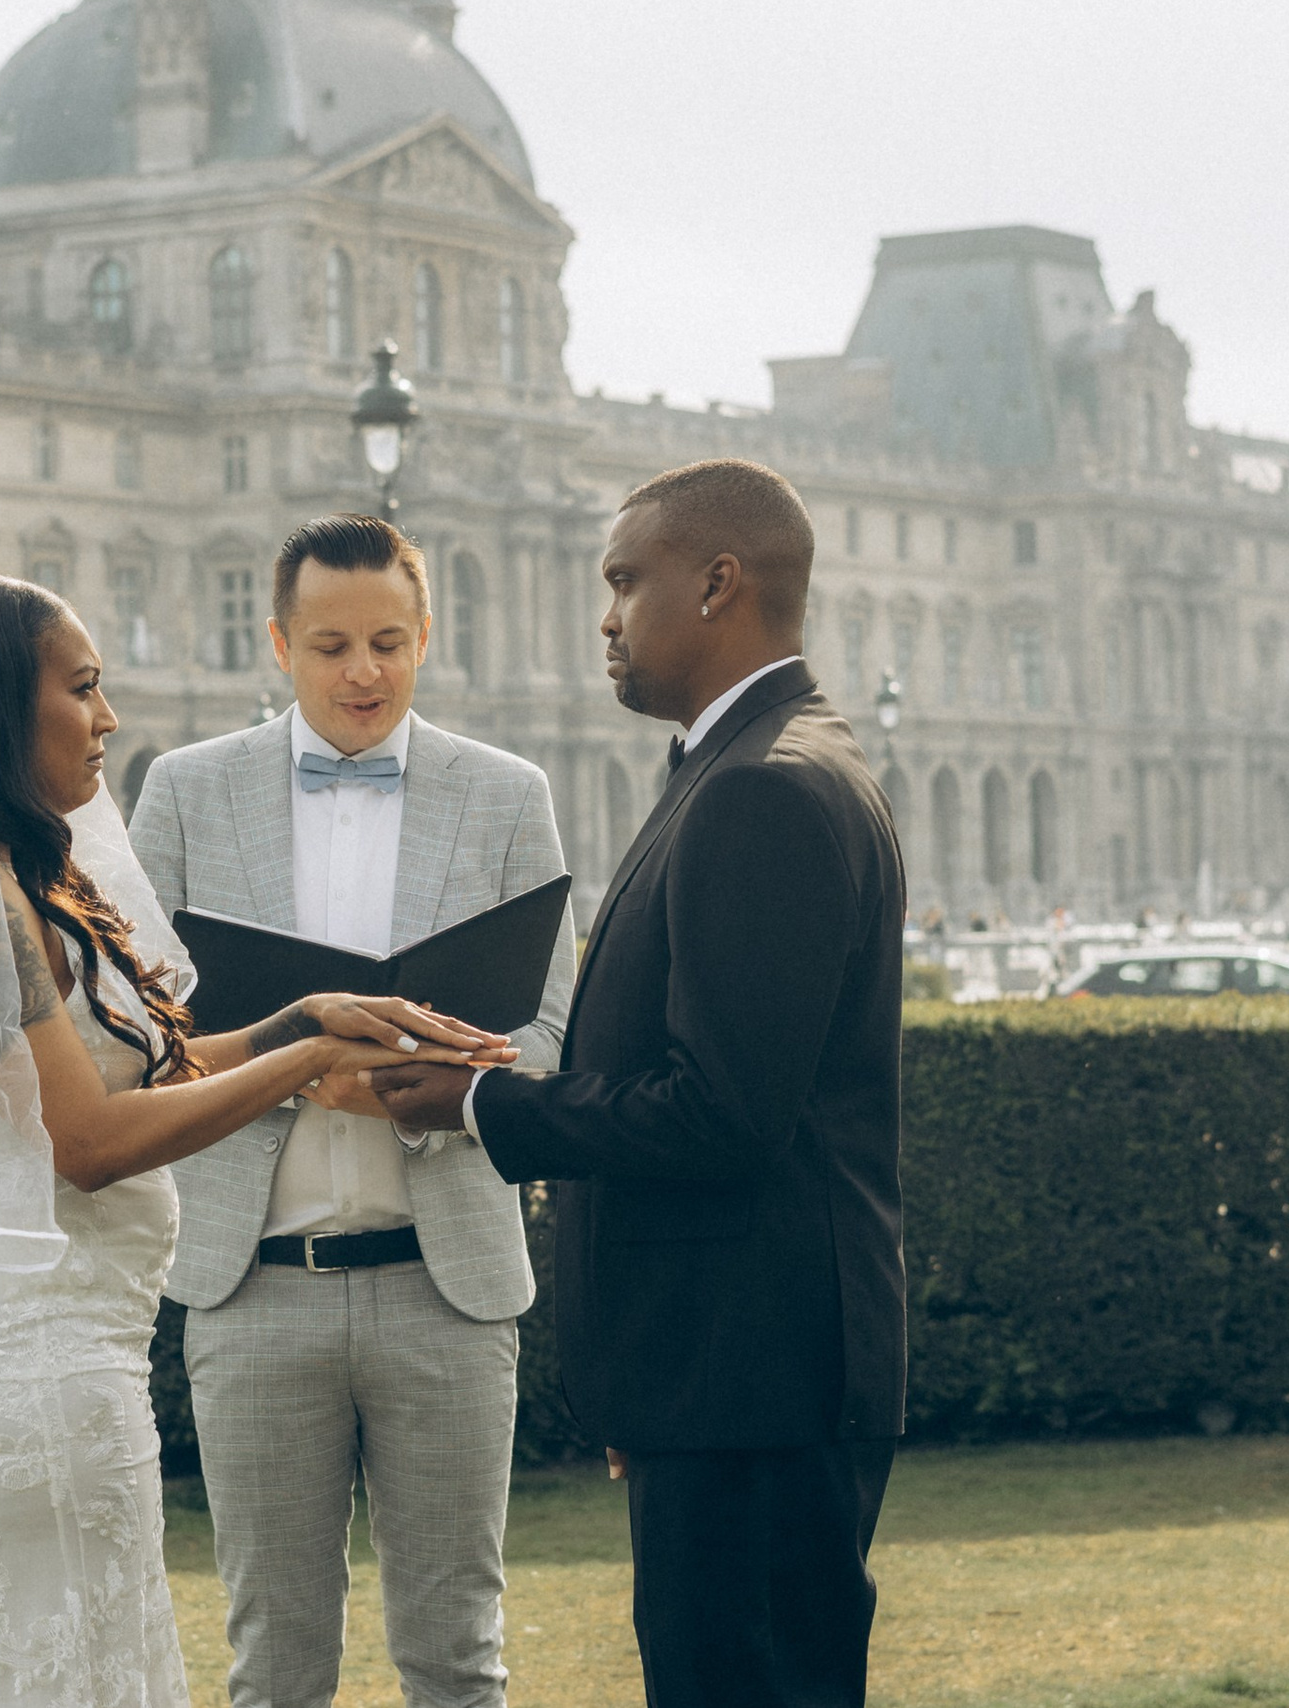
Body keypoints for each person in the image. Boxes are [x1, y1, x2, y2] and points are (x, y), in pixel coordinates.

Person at [0, 550, 514, 1708]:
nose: (108, 716)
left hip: (45, 1344)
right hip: (29, 1351)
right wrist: (310, 1061)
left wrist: (298, 1020)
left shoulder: (3, 880)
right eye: (80, 688)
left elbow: (135, 1071)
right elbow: (87, 1140)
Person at [370, 459, 908, 1708]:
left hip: (749, 1382)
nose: (605, 618)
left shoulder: (760, 790)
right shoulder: (760, 764)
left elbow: (720, 1113)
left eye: (623, 582)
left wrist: (477, 1101)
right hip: (728, 1375)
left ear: (717, 583)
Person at [128, 513, 576, 1708]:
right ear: (279, 643)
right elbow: (136, 1045)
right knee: (274, 1667)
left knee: (457, 1660)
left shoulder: (508, 794)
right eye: (329, 646)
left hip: (447, 1287)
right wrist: (287, 1063)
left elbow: (551, 1034)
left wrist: (422, 1090)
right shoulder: (183, 791)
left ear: (426, 634)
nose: (362, 671)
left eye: (387, 641)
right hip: (251, 1285)